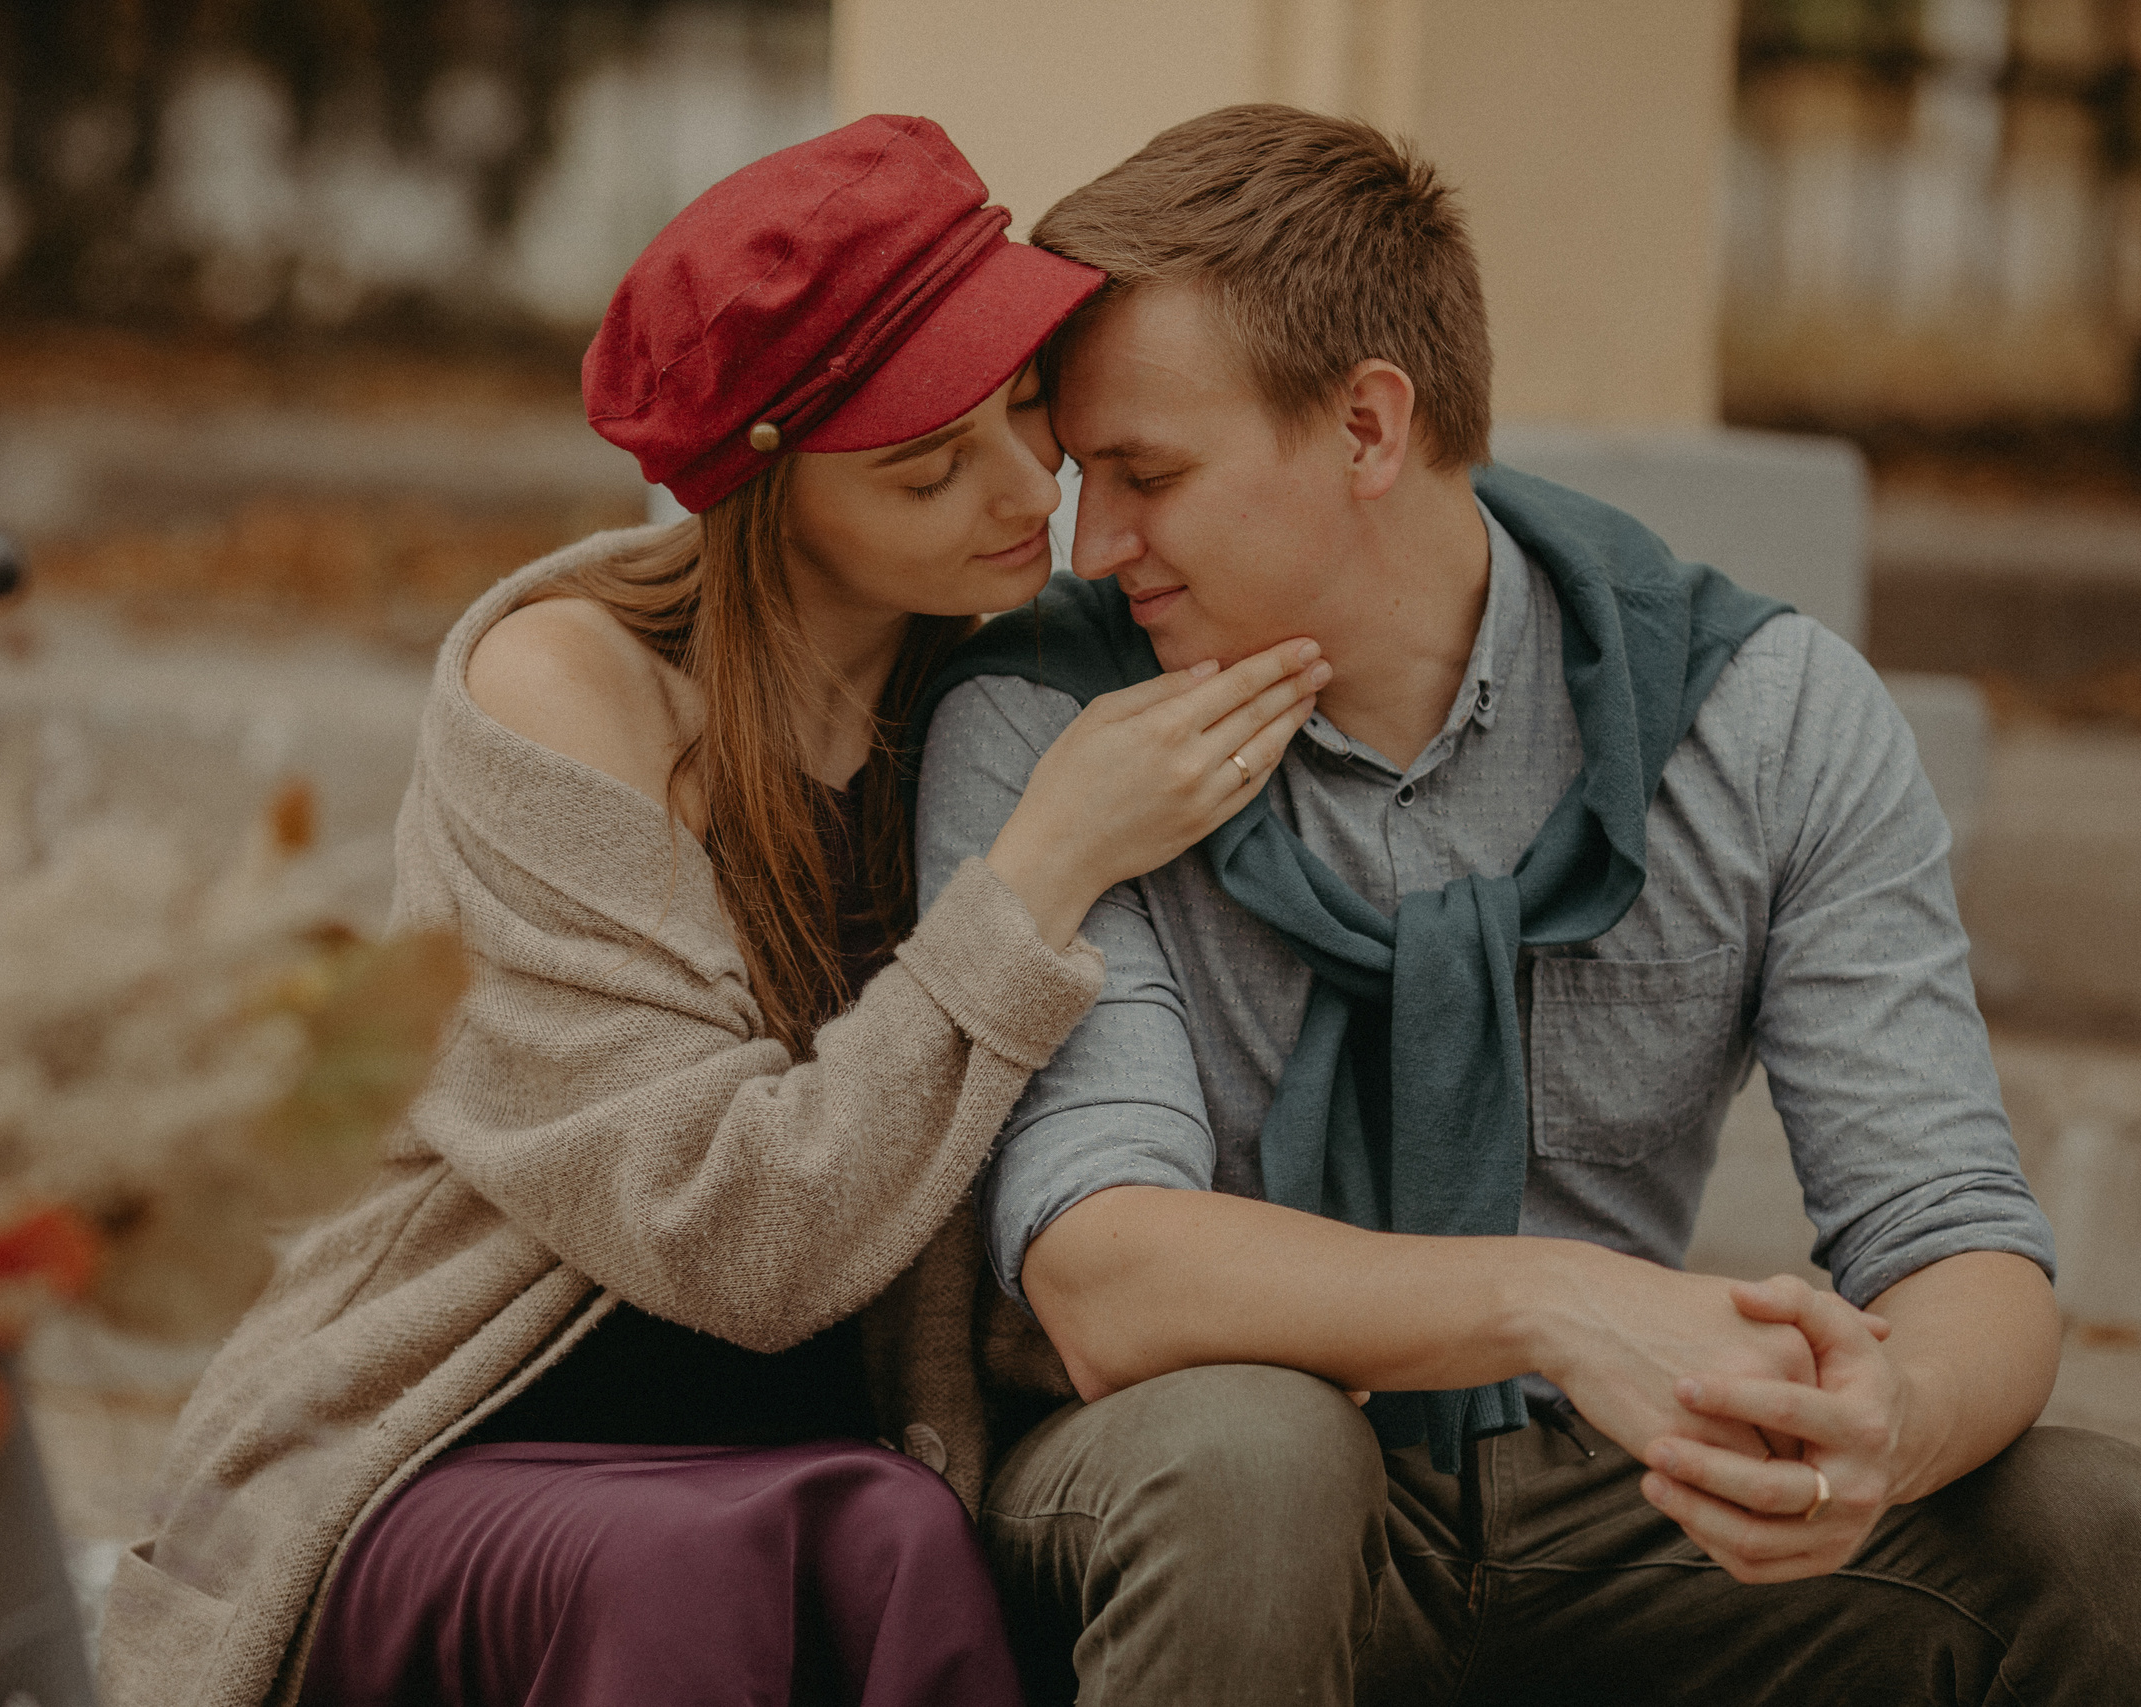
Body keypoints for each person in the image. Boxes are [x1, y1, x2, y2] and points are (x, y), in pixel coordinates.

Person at [93, 114, 1331, 1707]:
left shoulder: (1015, 671)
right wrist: (1037, 874)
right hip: (478, 1433)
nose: (1035, 488)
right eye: (926, 465)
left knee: (875, 1527)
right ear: (770, 497)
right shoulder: (563, 690)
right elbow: (727, 1234)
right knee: (732, 1552)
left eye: (1028, 404)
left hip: (853, 1460)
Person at [912, 104, 2141, 1705]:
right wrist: (1562, 1307)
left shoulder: (1761, 718)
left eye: (1148, 474)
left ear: (1367, 429)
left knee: (2091, 1527)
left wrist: (1881, 1425)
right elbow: (1105, 1274)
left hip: (1612, 1494)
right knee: (1258, 1451)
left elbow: (1958, 1240)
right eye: (1087, 477)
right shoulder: (1045, 720)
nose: (1093, 541)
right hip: (1192, 1480)